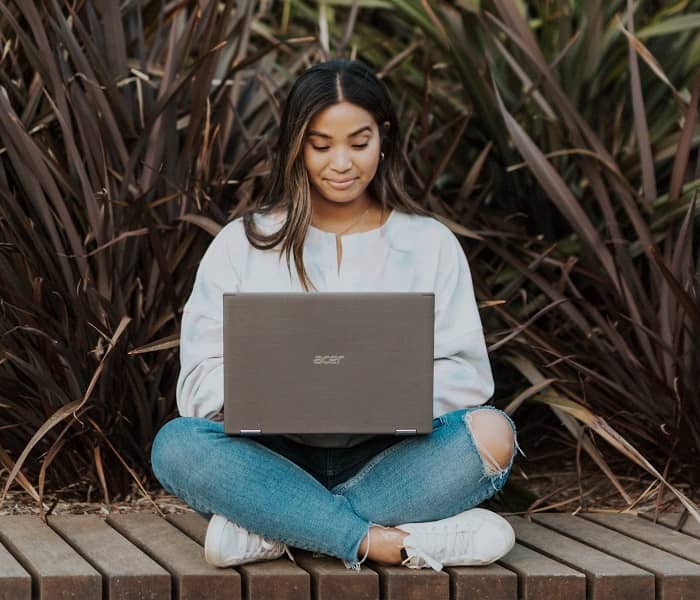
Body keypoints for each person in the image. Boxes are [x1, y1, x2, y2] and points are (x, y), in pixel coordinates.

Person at [150, 59, 522, 572]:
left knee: (493, 433)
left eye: (359, 142)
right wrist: (285, 393)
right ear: (295, 145)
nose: (341, 163)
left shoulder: (429, 243)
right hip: (269, 456)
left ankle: (277, 527)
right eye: (321, 145)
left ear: (384, 137)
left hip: (389, 460)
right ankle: (380, 541)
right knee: (176, 446)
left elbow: (467, 376)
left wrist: (379, 394)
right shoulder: (242, 243)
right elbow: (197, 381)